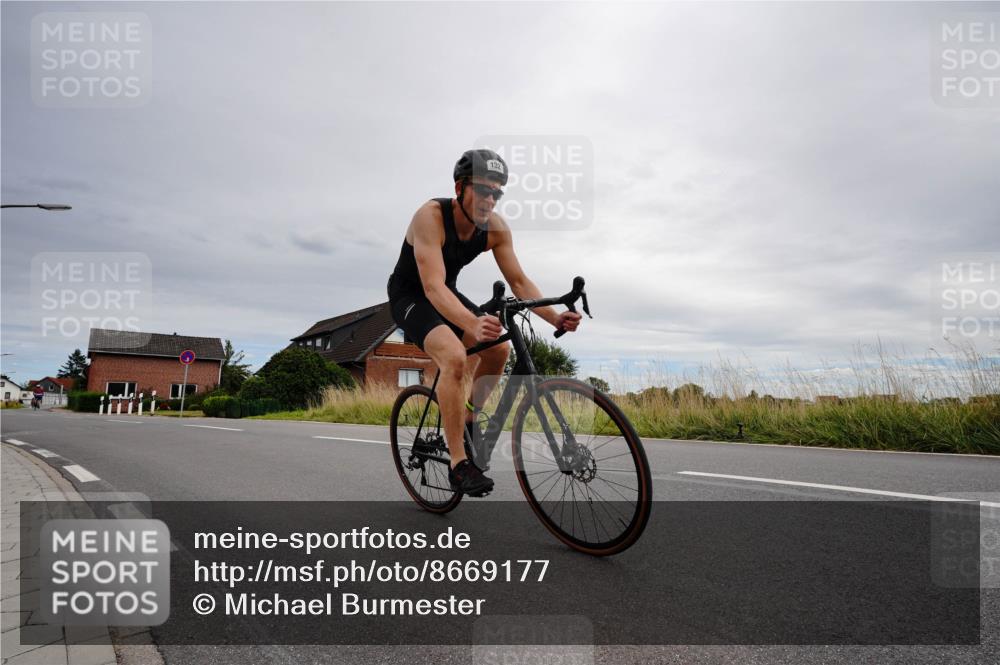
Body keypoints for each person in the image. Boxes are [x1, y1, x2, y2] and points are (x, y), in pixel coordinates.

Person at [387, 149, 582, 496]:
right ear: (459, 188)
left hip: (446, 292)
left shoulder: (496, 229)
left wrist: (554, 316)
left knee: (498, 349)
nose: (490, 199)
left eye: (496, 193)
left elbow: (519, 281)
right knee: (454, 358)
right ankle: (459, 465)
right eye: (482, 189)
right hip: (411, 296)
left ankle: (470, 419)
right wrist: (471, 323)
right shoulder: (430, 217)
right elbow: (431, 287)